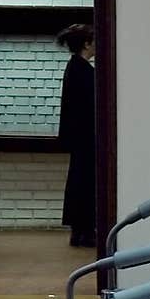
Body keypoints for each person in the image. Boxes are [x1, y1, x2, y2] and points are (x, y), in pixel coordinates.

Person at [56, 22, 96, 248]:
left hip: (78, 137)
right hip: (86, 137)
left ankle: (79, 229)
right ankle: (85, 229)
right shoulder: (85, 72)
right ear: (86, 44)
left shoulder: (74, 67)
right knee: (86, 183)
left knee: (79, 181)